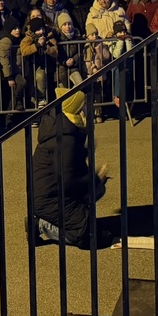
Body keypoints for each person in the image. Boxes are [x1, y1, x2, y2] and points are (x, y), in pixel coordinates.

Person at [32, 88, 111, 247]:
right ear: (76, 110)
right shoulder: (65, 137)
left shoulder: (64, 128)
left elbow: (71, 168)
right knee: (88, 236)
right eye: (84, 106)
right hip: (50, 199)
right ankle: (41, 225)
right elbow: (68, 180)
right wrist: (95, 179)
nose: (88, 109)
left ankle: (74, 219)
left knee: (99, 223)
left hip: (56, 194)